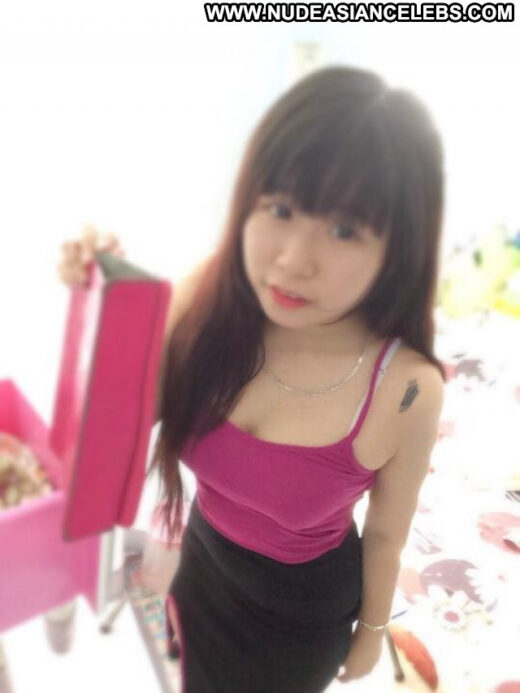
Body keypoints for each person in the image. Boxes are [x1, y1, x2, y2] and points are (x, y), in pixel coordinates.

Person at [58, 64, 446, 692]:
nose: (292, 260)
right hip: (203, 562)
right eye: (281, 208)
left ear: (399, 247)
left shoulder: (406, 390)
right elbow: (116, 432)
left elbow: (383, 534)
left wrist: (372, 633)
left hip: (300, 618)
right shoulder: (214, 294)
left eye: (344, 229)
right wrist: (107, 307)